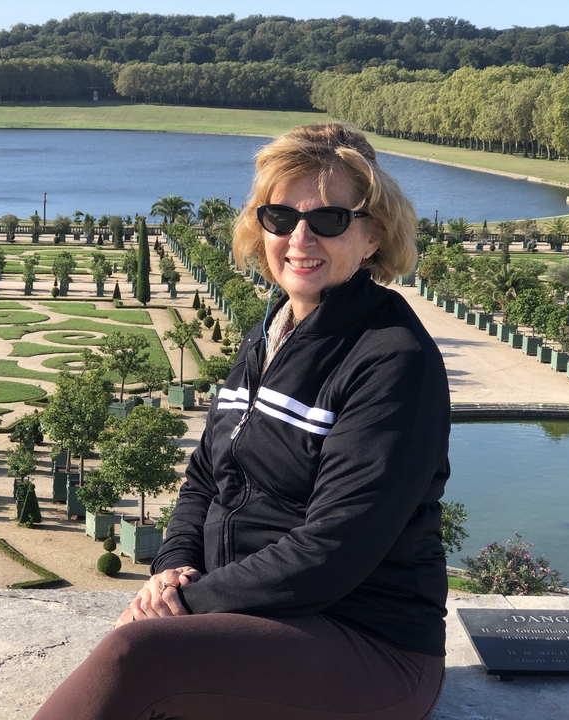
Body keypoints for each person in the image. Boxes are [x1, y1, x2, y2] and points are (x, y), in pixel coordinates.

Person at [32, 123, 451, 720]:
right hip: (260, 621)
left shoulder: (392, 359)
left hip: (368, 643)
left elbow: (333, 550)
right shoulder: (272, 331)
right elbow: (207, 473)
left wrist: (184, 605)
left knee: (139, 654)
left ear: (373, 235)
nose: (300, 237)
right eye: (279, 217)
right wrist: (172, 566)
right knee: (144, 648)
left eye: (329, 220)